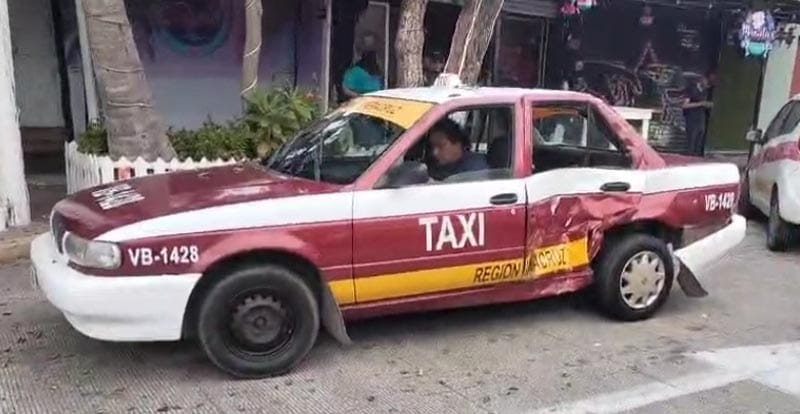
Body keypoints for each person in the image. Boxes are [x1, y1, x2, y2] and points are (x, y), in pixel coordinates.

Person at [682, 75, 714, 156]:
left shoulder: (705, 91)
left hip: (701, 119)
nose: (707, 86)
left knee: (699, 143)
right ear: (703, 79)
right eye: (707, 83)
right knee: (691, 143)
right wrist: (701, 104)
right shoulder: (691, 89)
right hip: (692, 119)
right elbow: (684, 105)